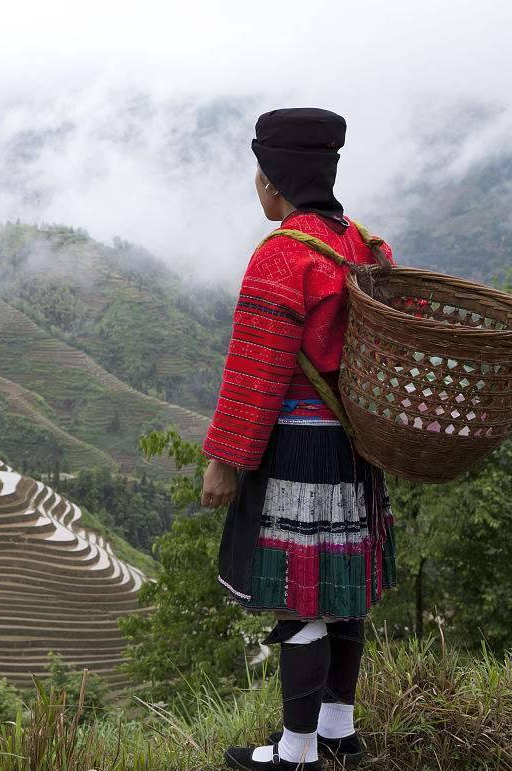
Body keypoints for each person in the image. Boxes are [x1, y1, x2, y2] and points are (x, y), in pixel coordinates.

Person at [202, 108, 397, 771]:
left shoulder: (283, 256)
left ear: (275, 182)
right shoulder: (368, 247)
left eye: (260, 176)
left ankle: (299, 750)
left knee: (301, 596)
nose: (258, 187)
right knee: (342, 589)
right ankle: (339, 730)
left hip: (299, 454)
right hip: (356, 447)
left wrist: (226, 460)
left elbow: (256, 371)